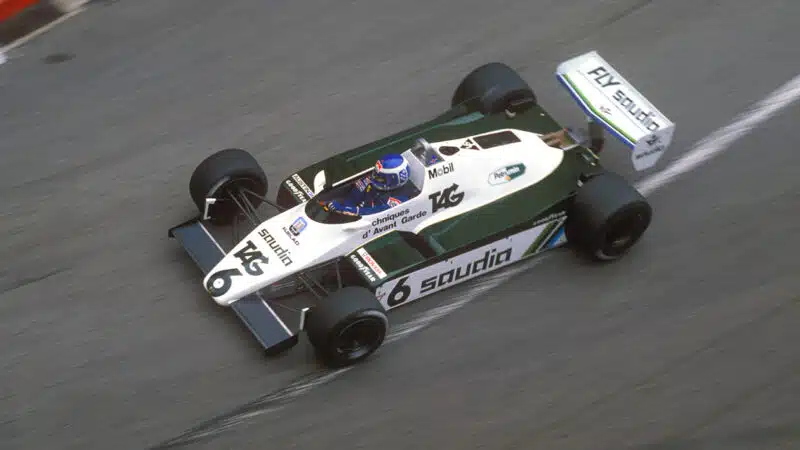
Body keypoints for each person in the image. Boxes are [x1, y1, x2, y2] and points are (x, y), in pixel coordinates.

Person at [325, 153, 412, 216]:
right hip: (358, 210)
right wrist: (344, 209)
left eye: (380, 178)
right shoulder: (370, 180)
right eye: (376, 173)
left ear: (394, 180)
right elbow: (353, 197)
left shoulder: (399, 201)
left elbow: (377, 212)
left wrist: (351, 211)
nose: (374, 177)